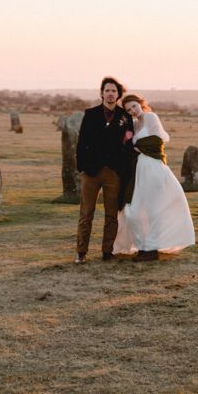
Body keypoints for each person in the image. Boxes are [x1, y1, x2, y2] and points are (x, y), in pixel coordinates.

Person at [113, 94, 195, 261]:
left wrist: (135, 148)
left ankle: (151, 249)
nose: (133, 111)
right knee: (133, 212)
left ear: (141, 104)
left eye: (134, 106)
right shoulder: (134, 125)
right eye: (129, 109)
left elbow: (157, 142)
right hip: (139, 171)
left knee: (154, 210)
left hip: (153, 168)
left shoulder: (151, 117)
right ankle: (143, 246)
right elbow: (129, 146)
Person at [74, 77, 133, 264]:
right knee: (86, 213)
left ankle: (108, 251)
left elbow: (128, 144)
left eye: (113, 91)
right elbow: (82, 142)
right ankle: (81, 252)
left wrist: (121, 169)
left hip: (113, 173)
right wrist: (82, 166)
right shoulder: (90, 114)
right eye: (107, 90)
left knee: (111, 214)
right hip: (91, 172)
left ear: (118, 94)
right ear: (101, 93)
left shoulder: (126, 117)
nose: (110, 94)